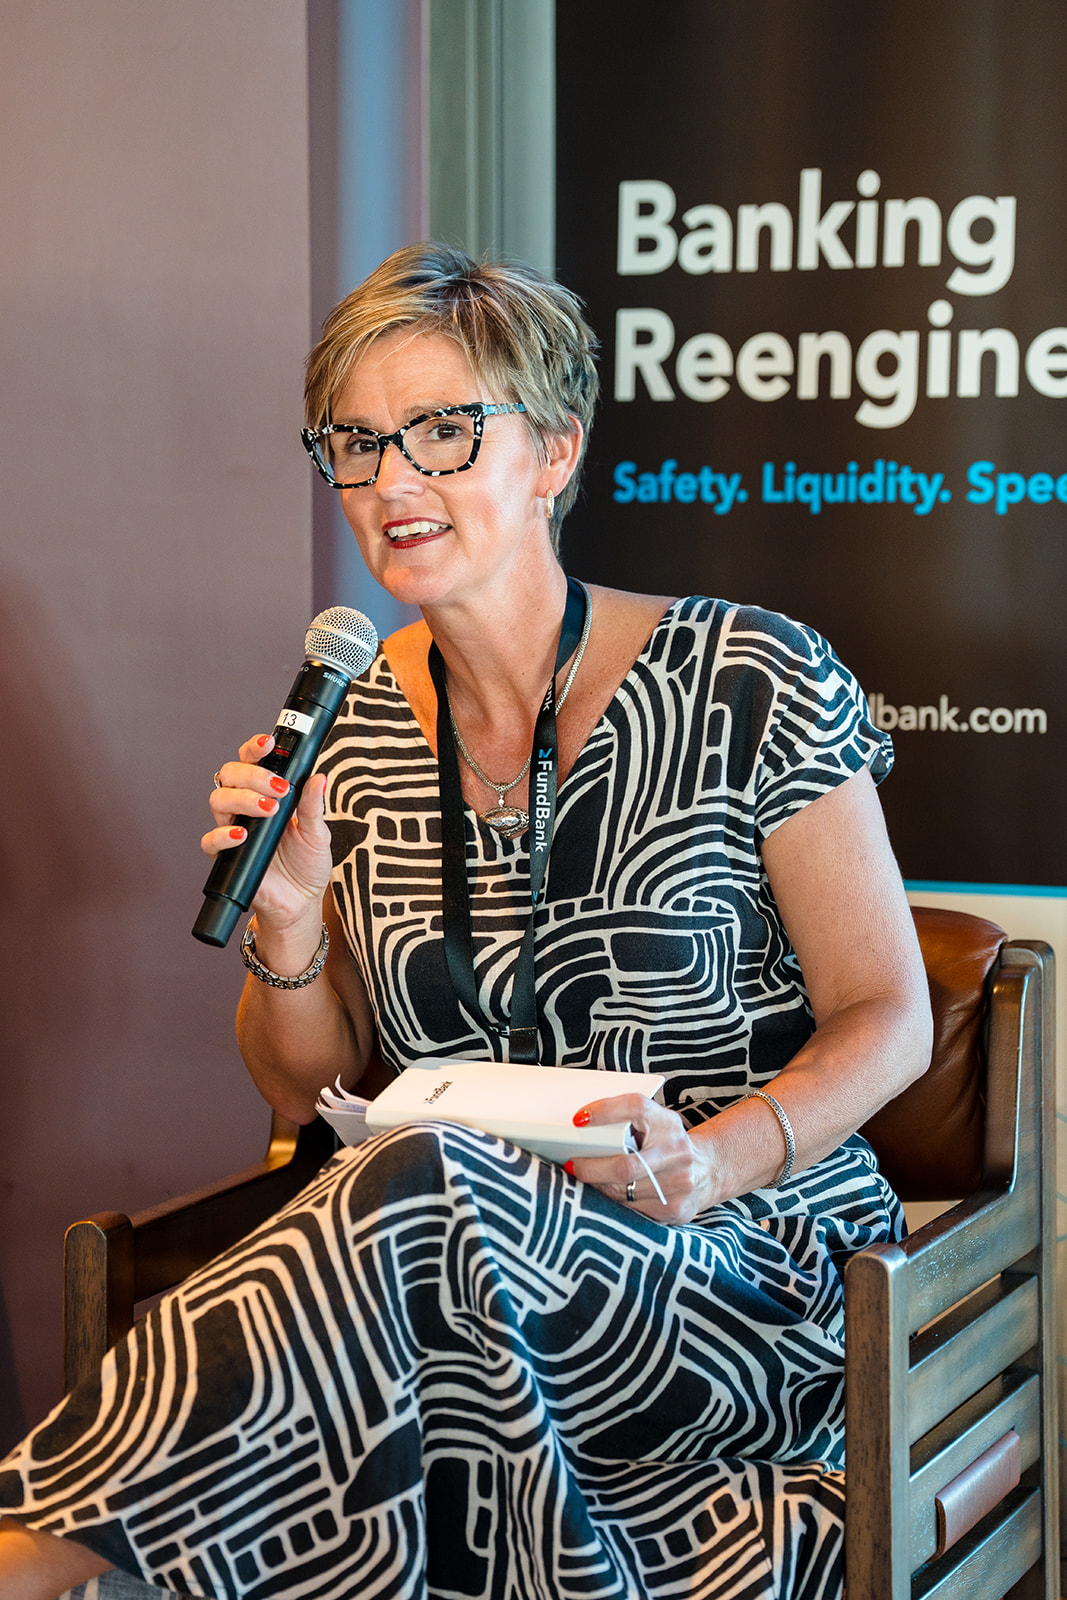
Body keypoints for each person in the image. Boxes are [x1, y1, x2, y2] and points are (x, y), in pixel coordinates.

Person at [0, 243, 931, 1600]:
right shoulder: (349, 723)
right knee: (417, 1184)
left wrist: (716, 1163)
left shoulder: (750, 673)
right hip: (449, 1275)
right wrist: (290, 924)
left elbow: (890, 1016)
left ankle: (31, 1554)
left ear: (554, 450)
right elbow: (303, 1088)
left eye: (441, 431)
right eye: (357, 444)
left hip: (736, 1264)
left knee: (416, 1186)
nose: (392, 482)